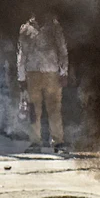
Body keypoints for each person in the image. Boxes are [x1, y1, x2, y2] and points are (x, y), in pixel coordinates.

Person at [17, 13, 69, 153]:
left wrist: (63, 72)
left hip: (52, 73)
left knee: (54, 109)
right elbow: (22, 53)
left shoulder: (54, 27)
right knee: (34, 110)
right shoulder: (26, 28)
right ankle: (35, 142)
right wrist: (21, 77)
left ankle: (58, 142)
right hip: (32, 73)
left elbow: (62, 49)